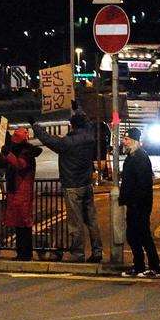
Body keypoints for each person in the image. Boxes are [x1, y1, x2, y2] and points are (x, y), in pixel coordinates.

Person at [31, 112, 103, 262]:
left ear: (72, 125)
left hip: (72, 185)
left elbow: (47, 139)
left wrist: (35, 125)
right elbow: (88, 124)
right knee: (91, 220)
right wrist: (79, 109)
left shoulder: (68, 143)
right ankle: (97, 252)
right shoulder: (90, 137)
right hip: (87, 184)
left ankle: (78, 254)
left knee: (75, 223)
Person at [119, 128, 160, 278]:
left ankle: (154, 267)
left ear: (134, 141)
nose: (124, 141)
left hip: (139, 205)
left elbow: (143, 184)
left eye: (127, 139)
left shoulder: (140, 158)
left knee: (142, 236)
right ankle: (139, 266)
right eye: (124, 138)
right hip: (134, 204)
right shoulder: (133, 156)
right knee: (134, 236)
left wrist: (135, 202)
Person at [0, 128, 42, 261]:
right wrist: (0, 154)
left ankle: (25, 253)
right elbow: (9, 162)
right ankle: (22, 252)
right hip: (18, 191)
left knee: (23, 224)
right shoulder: (23, 151)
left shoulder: (27, 153)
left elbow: (19, 165)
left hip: (22, 192)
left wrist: (7, 154)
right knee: (19, 224)